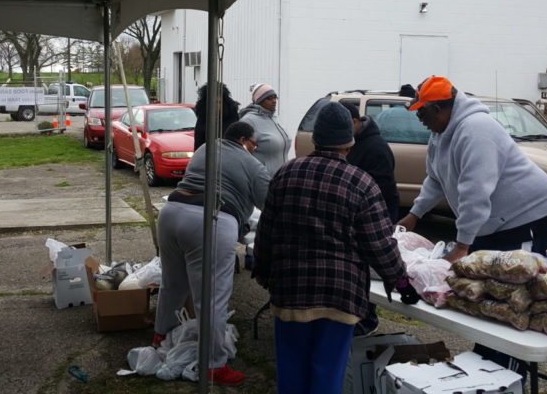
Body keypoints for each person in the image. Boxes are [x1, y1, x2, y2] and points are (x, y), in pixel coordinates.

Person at [397, 76, 547, 378]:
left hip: (525, 216)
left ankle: (507, 370)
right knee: (486, 293)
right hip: (493, 222)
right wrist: (415, 214)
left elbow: (475, 193)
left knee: (512, 294)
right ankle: (487, 357)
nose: (420, 119)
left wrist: (462, 246)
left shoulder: (476, 131)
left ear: (439, 108)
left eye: (422, 113)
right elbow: (435, 179)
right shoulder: (440, 131)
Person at [253, 102, 406, 394]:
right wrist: (400, 281)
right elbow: (379, 245)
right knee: (326, 375)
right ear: (349, 143)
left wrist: (261, 270)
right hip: (339, 297)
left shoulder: (286, 174)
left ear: (315, 140)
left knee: (291, 371)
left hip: (290, 292)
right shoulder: (362, 183)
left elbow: (266, 232)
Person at [152, 121, 270, 386]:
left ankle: (161, 336)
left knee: (172, 284)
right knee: (213, 299)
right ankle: (215, 364)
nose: (255, 147)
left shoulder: (206, 147)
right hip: (211, 221)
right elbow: (269, 202)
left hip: (172, 212)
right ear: (243, 140)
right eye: (253, 142)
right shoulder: (252, 164)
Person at [344, 103, 400, 222]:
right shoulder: (351, 142)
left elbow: (384, 186)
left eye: (343, 128)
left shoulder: (376, 147)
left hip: (380, 210)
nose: (341, 133)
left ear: (354, 122)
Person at [239, 83, 290, 176]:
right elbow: (242, 153)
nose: (274, 101)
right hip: (264, 179)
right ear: (259, 100)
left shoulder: (275, 118)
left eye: (275, 97)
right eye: (269, 98)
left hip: (281, 177)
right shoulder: (249, 121)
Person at [193, 83, 241, 150]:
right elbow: (198, 142)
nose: (215, 106)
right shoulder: (203, 117)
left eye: (218, 102)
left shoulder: (232, 117)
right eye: (212, 102)